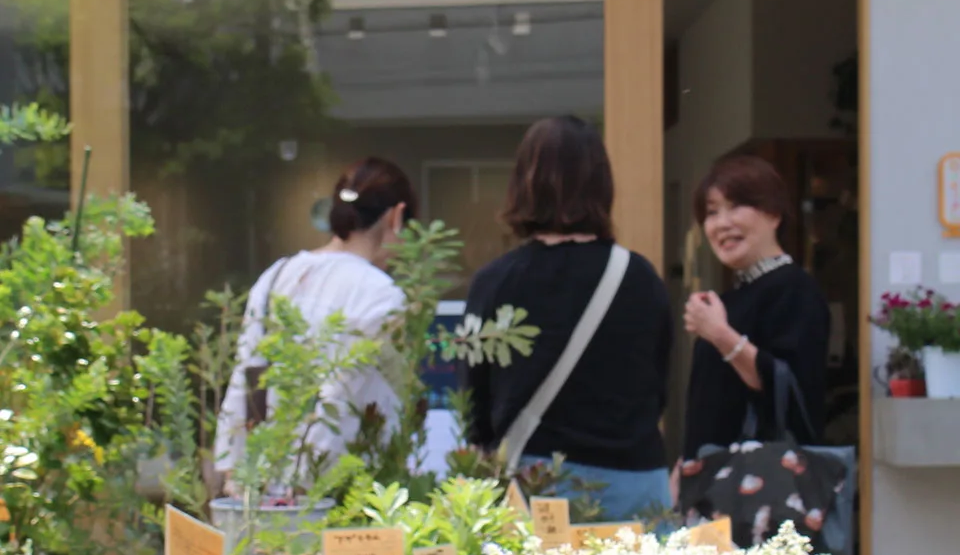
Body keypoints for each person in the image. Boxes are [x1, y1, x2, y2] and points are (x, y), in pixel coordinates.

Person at [463, 115, 673, 519]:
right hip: (636, 481)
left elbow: (475, 404)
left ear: (523, 184)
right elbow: (657, 387)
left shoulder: (495, 282)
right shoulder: (640, 278)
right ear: (603, 185)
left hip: (538, 481)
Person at [215, 156, 416, 489]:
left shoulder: (277, 275)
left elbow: (248, 376)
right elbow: (347, 400)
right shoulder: (382, 294)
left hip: (263, 483)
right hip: (340, 489)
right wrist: (305, 487)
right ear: (396, 217)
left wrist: (234, 472)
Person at [681, 152, 830, 468]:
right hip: (712, 482)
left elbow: (790, 391)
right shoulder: (734, 298)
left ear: (774, 213)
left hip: (764, 488)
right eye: (711, 212)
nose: (722, 223)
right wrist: (685, 464)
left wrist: (720, 335)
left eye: (736, 206)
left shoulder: (795, 289)